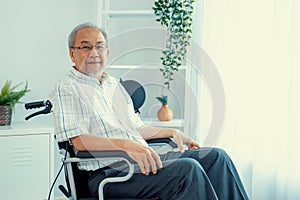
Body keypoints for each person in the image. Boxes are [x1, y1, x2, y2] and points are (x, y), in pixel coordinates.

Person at [50, 22, 249, 200]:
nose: (94, 52)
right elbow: (80, 141)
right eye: (86, 47)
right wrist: (126, 145)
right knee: (187, 171)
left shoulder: (113, 84)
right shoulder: (67, 87)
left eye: (99, 46)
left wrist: (172, 132)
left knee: (217, 158)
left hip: (141, 162)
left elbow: (137, 127)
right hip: (108, 173)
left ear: (107, 52)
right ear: (72, 53)